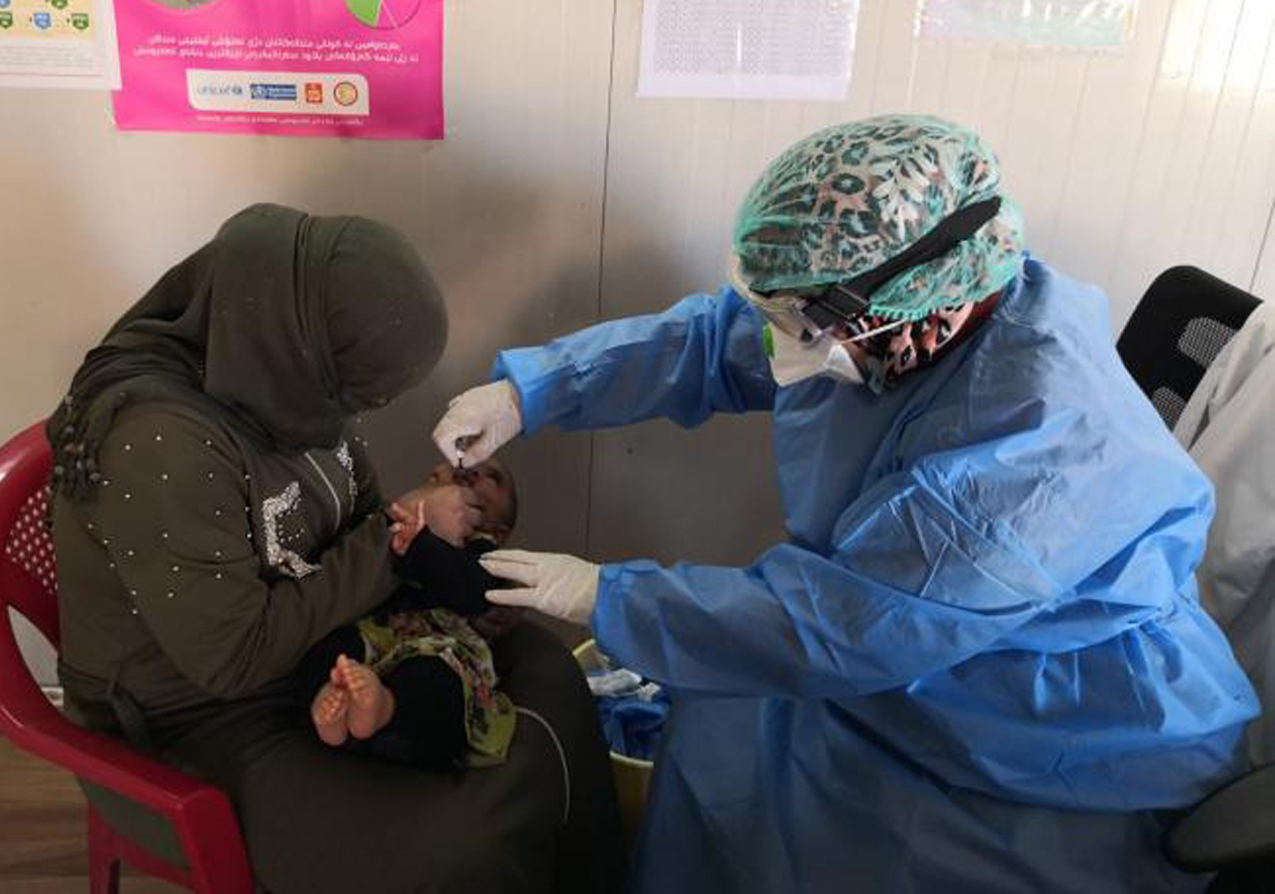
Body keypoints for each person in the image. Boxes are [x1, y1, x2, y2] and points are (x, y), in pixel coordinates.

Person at [433, 115, 1260, 893]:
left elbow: (825, 627)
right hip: (902, 646)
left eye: (797, 322)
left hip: (1054, 733)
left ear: (921, 320)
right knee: (714, 729)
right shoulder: (900, 321)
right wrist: (528, 393)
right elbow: (709, 343)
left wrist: (599, 594)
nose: (772, 341)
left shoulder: (1018, 470)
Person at [49, 204, 625, 893]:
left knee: (548, 671)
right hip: (201, 713)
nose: (362, 409)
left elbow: (360, 513)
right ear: (304, 346)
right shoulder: (161, 446)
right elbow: (234, 658)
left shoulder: (284, 382)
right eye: (359, 390)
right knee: (458, 849)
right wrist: (404, 533)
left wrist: (450, 580)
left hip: (326, 636)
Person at [303, 457, 522, 769]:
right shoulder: (410, 516)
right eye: (465, 461)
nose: (474, 470)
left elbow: (470, 591)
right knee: (332, 648)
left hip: (439, 647)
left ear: (499, 532)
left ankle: (382, 708)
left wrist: (423, 545)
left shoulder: (486, 554)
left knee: (437, 682)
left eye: (493, 476)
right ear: (432, 479)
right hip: (377, 637)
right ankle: (331, 702)